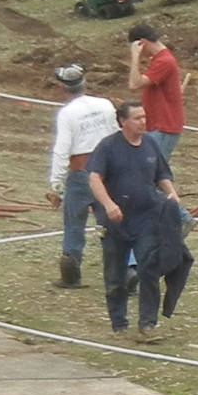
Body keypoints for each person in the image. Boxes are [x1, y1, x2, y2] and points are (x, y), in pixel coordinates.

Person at [85, 101, 190, 340]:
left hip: (147, 218)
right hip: (115, 222)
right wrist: (109, 205)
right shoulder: (108, 147)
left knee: (149, 269)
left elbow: (162, 174)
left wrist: (171, 193)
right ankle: (119, 323)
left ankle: (147, 324)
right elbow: (94, 179)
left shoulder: (151, 144)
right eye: (137, 118)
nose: (143, 121)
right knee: (115, 274)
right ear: (123, 121)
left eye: (144, 116)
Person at [46, 65, 120, 289]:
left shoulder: (67, 113)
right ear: (84, 82)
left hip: (81, 173)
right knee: (114, 222)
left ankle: (71, 271)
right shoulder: (105, 104)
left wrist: (57, 187)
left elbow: (62, 151)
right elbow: (118, 134)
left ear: (61, 87)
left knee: (74, 224)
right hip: (108, 172)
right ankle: (126, 272)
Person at [125, 22, 185, 160]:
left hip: (163, 126)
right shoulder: (160, 59)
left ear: (142, 43)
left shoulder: (164, 61)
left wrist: (135, 57)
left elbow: (134, 84)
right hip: (158, 126)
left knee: (152, 173)